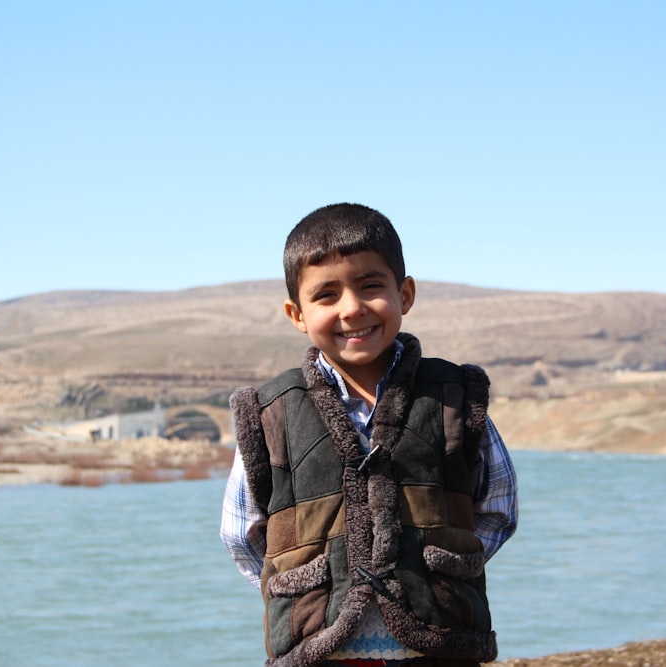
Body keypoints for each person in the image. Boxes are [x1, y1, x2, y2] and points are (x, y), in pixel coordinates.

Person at [220, 203, 518, 667]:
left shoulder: (454, 398)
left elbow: (497, 508)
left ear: (406, 293)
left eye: (370, 286)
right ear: (297, 313)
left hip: (440, 648)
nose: (352, 308)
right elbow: (244, 534)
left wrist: (441, 566)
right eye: (326, 295)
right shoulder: (269, 414)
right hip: (317, 654)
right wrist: (306, 584)